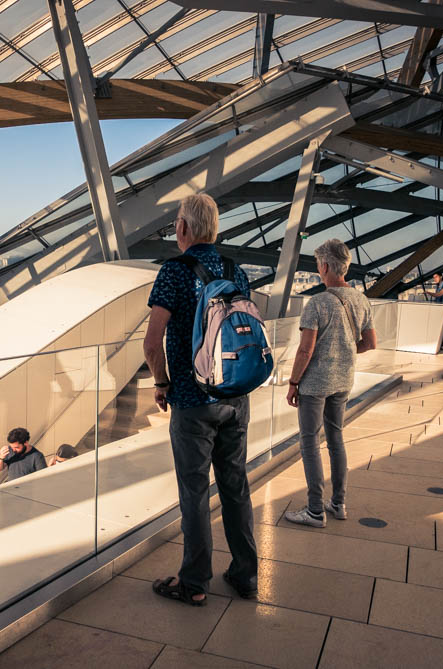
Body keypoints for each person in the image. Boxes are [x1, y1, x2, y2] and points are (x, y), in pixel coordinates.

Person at [143, 193, 258, 607]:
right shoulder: (236, 270)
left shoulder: (172, 273)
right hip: (236, 396)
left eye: (176, 222)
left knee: (194, 492)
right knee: (236, 488)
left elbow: (152, 344)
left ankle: (194, 583)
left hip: (192, 401)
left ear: (184, 228)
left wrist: (162, 383)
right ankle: (245, 575)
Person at [284, 239, 377, 529]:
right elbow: (370, 342)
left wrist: (293, 382)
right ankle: (338, 503)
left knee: (309, 441)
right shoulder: (361, 299)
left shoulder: (317, 302)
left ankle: (314, 510)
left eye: (318, 265)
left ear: (325, 266)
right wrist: (343, 352)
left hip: (314, 385)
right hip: (343, 381)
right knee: (336, 439)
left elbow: (305, 351)